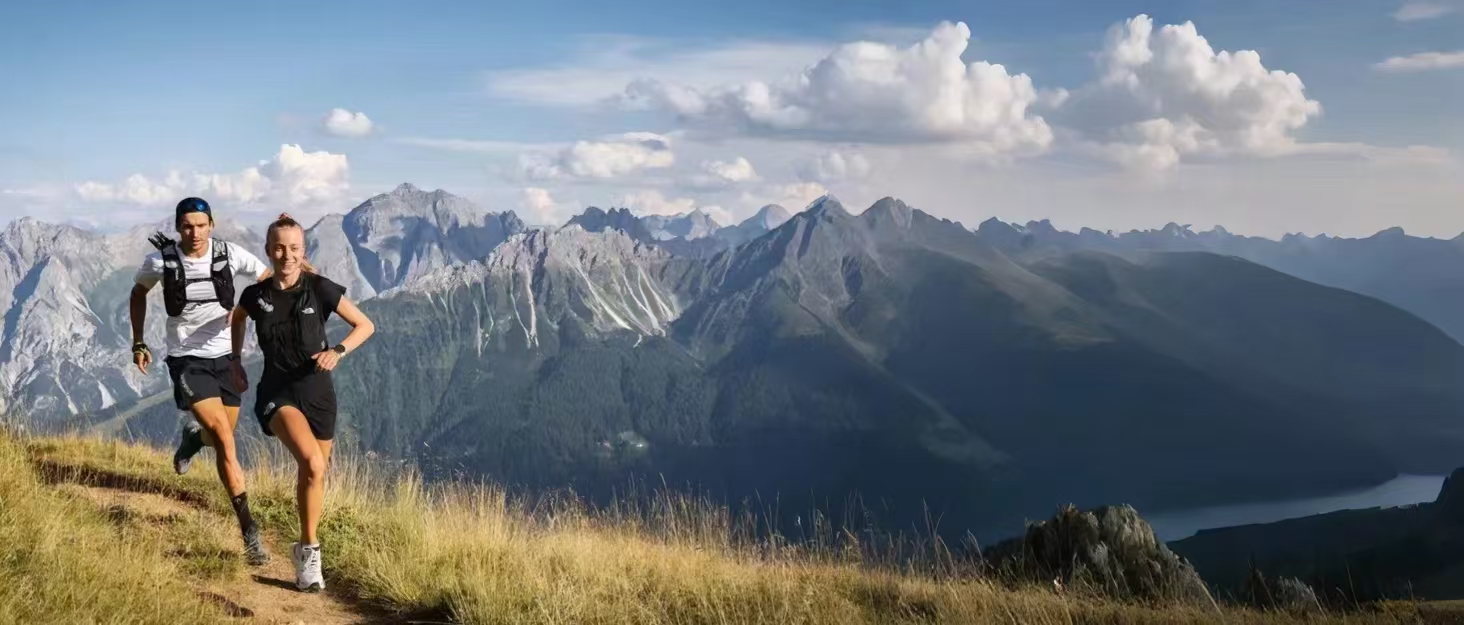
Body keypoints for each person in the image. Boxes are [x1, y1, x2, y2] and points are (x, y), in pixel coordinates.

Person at [230, 213, 374, 592]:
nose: (286, 255)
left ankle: (301, 543)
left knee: (315, 473)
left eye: (294, 248)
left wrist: (338, 351)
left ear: (302, 250)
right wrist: (233, 361)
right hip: (277, 395)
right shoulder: (255, 295)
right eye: (279, 248)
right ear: (268, 251)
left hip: (320, 396)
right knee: (311, 462)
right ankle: (310, 552)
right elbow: (238, 318)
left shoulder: (320, 288)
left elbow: (366, 325)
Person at [130, 196, 271, 566]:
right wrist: (139, 341)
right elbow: (138, 293)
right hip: (186, 360)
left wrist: (243, 311)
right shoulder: (161, 260)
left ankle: (193, 438)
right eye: (187, 226)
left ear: (212, 225)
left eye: (201, 225)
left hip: (226, 359)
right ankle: (249, 532)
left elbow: (268, 280)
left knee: (218, 435)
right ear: (178, 227)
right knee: (225, 438)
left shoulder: (230, 254)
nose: (194, 232)